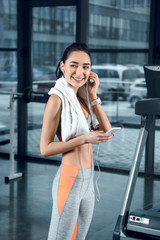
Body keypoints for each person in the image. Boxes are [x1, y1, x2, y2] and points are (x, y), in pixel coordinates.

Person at [40, 42, 113, 240]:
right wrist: (84, 139)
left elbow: (107, 131)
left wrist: (93, 95)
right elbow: (45, 149)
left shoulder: (81, 97)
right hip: (69, 178)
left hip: (87, 181)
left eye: (86, 66)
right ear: (63, 66)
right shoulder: (57, 99)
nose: (80, 72)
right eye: (73, 65)